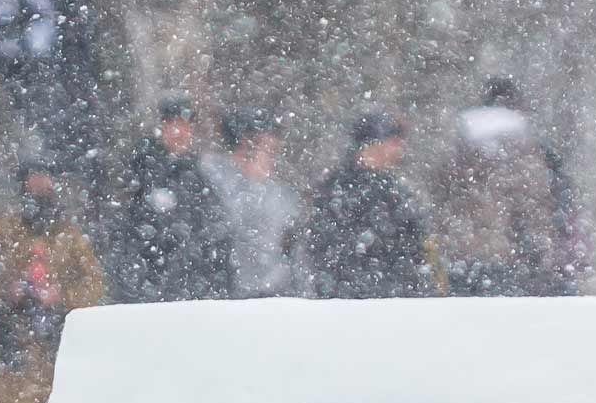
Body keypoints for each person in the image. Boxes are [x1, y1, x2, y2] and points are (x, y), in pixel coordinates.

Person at [0, 163, 106, 403]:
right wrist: (4, 290)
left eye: (44, 184)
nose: (39, 190)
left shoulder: (69, 236)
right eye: (33, 183)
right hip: (5, 350)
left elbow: (95, 284)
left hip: (54, 351)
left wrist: (61, 295)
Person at [436, 79, 564, 296]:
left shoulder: (461, 143)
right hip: (510, 256)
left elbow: (443, 196)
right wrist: (541, 252)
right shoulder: (522, 147)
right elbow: (535, 203)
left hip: (463, 255)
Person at [302, 111, 439, 298]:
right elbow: (329, 251)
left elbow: (415, 246)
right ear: (374, 144)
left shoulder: (394, 190)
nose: (399, 148)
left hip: (389, 297)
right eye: (394, 141)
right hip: (355, 300)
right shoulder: (339, 191)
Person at [115, 98, 236, 302]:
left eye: (185, 125)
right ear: (162, 127)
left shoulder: (197, 174)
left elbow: (214, 226)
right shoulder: (143, 170)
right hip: (152, 286)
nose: (180, 132)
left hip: (187, 288)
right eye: (173, 124)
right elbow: (131, 230)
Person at [203, 108, 302, 298]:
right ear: (243, 151)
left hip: (270, 298)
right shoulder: (214, 189)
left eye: (274, 152)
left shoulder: (278, 195)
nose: (272, 161)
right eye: (268, 151)